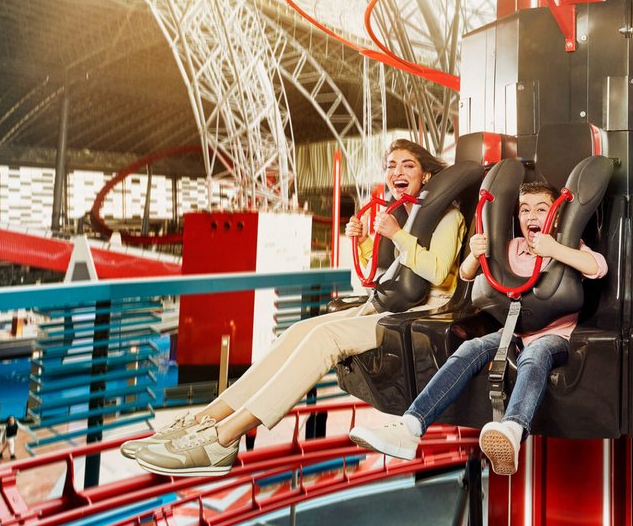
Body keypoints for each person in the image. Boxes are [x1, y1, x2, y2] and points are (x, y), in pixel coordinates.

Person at [130, 140, 465, 477]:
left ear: (426, 174)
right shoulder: (401, 214)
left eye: (408, 165)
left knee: (324, 339)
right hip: (388, 305)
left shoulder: (446, 216)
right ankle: (203, 420)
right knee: (297, 332)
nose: (397, 172)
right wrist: (366, 241)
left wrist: (397, 235)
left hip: (422, 313)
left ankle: (224, 438)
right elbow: (381, 274)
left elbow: (436, 271)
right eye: (391, 165)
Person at [348, 180, 608, 475]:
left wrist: (555, 249)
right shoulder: (513, 247)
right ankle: (410, 426)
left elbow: (597, 267)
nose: (532, 216)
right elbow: (466, 274)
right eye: (525, 210)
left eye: (541, 209)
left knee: (535, 355)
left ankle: (512, 431)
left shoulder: (568, 245)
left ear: (556, 216)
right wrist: (474, 253)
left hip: (555, 336)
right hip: (513, 332)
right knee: (472, 347)